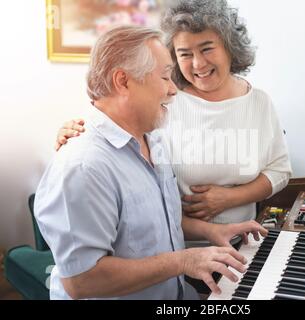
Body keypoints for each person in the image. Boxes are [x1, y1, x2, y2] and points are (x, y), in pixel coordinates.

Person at [35, 25, 267, 300]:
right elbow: (82, 281)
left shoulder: (152, 139)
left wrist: (212, 231)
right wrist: (183, 261)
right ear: (123, 81)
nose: (173, 90)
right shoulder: (82, 167)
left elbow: (158, 220)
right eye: (166, 77)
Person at [56, 0, 291, 233]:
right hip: (175, 248)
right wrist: (74, 135)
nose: (198, 63)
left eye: (207, 48)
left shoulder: (259, 102)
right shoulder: (163, 100)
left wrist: (230, 198)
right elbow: (113, 131)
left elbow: (279, 169)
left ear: (230, 46)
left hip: (243, 241)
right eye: (185, 53)